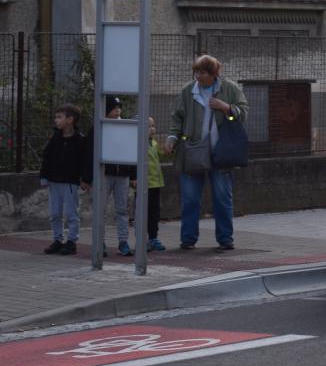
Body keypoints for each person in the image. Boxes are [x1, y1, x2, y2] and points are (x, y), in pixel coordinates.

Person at [164, 54, 249, 251]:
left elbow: (244, 112)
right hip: (192, 151)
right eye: (196, 72)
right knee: (190, 198)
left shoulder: (229, 89)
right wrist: (172, 138)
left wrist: (227, 108)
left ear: (214, 74)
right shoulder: (188, 91)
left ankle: (225, 239)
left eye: (202, 72)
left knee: (222, 198)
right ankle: (188, 240)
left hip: (221, 154)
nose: (198, 77)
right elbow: (177, 117)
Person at [39, 103, 91, 255]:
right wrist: (44, 175)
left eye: (59, 117)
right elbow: (46, 157)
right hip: (54, 181)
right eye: (56, 117)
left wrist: (85, 179)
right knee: (55, 213)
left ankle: (71, 241)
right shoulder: (55, 138)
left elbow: (85, 161)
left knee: (71, 213)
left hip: (70, 182)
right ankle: (57, 240)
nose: (56, 120)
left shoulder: (80, 140)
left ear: (70, 119)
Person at [94, 95, 133, 257]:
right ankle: (99, 242)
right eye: (113, 107)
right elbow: (92, 151)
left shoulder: (126, 127)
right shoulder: (99, 126)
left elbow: (132, 152)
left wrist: (134, 175)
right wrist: (87, 176)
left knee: (122, 209)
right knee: (100, 209)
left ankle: (123, 242)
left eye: (119, 107)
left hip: (122, 175)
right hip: (104, 174)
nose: (117, 110)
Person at [132, 117, 166, 252]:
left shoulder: (154, 143)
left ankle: (153, 238)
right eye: (148, 126)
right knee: (141, 213)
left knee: (154, 213)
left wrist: (169, 149)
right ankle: (141, 240)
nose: (152, 129)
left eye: (153, 126)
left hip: (156, 184)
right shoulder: (137, 144)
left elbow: (161, 155)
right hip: (143, 185)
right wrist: (134, 178)